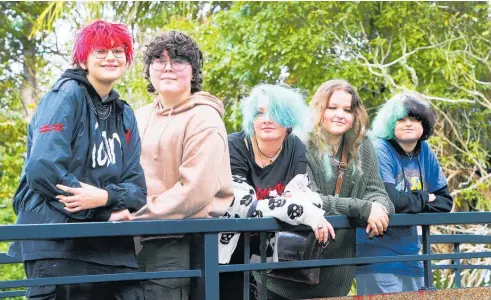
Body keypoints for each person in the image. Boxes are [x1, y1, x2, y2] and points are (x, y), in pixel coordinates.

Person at [7, 20, 147, 299]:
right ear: (83, 59)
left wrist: (104, 198)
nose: (111, 57)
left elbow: (138, 190)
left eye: (119, 51)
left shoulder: (125, 114)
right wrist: (103, 210)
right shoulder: (66, 95)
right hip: (56, 244)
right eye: (101, 51)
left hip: (110, 251)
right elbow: (43, 169)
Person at [257, 79, 395, 299]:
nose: (340, 114)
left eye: (347, 109)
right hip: (284, 273)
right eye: (332, 107)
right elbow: (309, 200)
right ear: (319, 109)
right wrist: (363, 208)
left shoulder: (364, 145)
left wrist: (379, 206)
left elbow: (376, 190)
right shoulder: (297, 143)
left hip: (335, 272)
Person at [131, 31, 234, 300]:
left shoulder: (204, 118)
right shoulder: (138, 117)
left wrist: (134, 215)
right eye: (159, 59)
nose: (167, 67)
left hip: (179, 242)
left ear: (193, 71)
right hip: (130, 238)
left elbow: (194, 191)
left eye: (178, 60)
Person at [218, 84, 335, 300]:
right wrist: (301, 211)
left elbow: (303, 195)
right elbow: (243, 205)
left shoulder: (295, 146)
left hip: (271, 256)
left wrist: (298, 206)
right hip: (226, 256)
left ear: (289, 119)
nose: (266, 119)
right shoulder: (234, 145)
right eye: (259, 113)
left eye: (274, 112)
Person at [356, 92, 453, 295]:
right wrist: (426, 197)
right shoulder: (379, 149)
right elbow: (392, 201)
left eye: (414, 119)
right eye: (401, 119)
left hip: (411, 253)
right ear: (390, 123)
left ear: (423, 124)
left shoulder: (425, 151)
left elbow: (445, 201)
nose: (408, 123)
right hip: (377, 253)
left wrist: (413, 202)